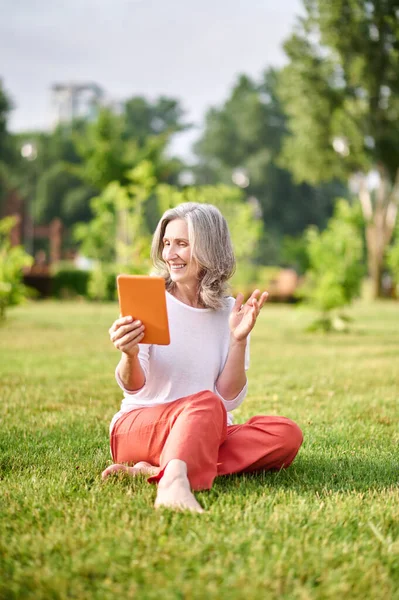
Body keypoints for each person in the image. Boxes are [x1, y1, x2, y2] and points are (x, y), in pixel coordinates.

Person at [103, 202, 303, 512]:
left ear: (209, 249)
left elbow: (228, 400)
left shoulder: (228, 312)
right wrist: (129, 355)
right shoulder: (149, 300)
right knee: (206, 404)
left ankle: (160, 468)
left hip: (206, 427)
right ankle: (173, 484)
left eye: (182, 244)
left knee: (286, 434)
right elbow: (135, 388)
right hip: (139, 427)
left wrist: (239, 339)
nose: (170, 254)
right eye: (167, 243)